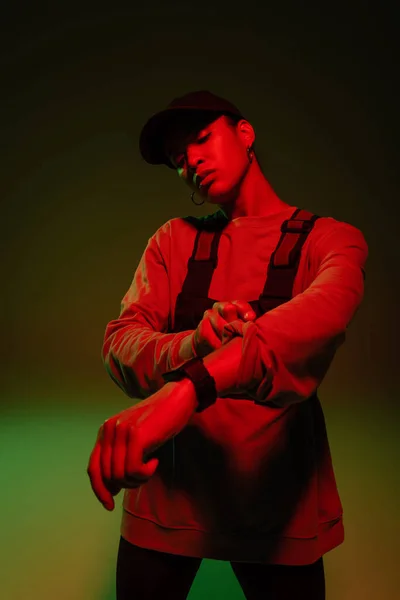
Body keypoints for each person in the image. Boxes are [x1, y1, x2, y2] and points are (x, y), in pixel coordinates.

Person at [87, 90, 368, 600]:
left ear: (244, 133)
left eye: (200, 139)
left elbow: (320, 320)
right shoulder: (172, 241)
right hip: (165, 508)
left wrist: (188, 388)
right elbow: (120, 345)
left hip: (276, 516)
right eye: (179, 160)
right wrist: (193, 342)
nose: (191, 161)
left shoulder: (330, 240)